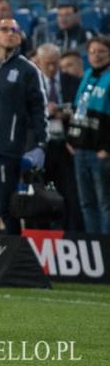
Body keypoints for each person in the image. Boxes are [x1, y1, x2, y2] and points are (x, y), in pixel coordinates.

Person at [0, 19, 48, 235]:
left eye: (15, 31)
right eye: (4, 29)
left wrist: (40, 144)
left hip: (8, 151)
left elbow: (39, 109)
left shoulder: (28, 70)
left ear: (20, 38)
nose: (10, 34)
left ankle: (13, 259)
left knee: (7, 209)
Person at [34, 43, 82, 231]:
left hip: (66, 144)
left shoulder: (72, 81)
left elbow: (81, 108)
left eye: (55, 63)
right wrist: (44, 111)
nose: (52, 68)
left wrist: (67, 112)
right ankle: (41, 235)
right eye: (48, 64)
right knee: (39, 195)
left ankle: (73, 234)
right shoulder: (32, 82)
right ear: (39, 62)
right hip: (42, 146)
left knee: (70, 193)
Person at [67, 36, 110, 234]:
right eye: (93, 52)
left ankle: (106, 251)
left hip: (100, 152)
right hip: (80, 150)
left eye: (101, 51)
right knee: (86, 203)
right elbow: (79, 110)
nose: (97, 56)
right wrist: (72, 139)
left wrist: (106, 148)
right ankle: (94, 247)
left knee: (104, 204)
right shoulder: (86, 76)